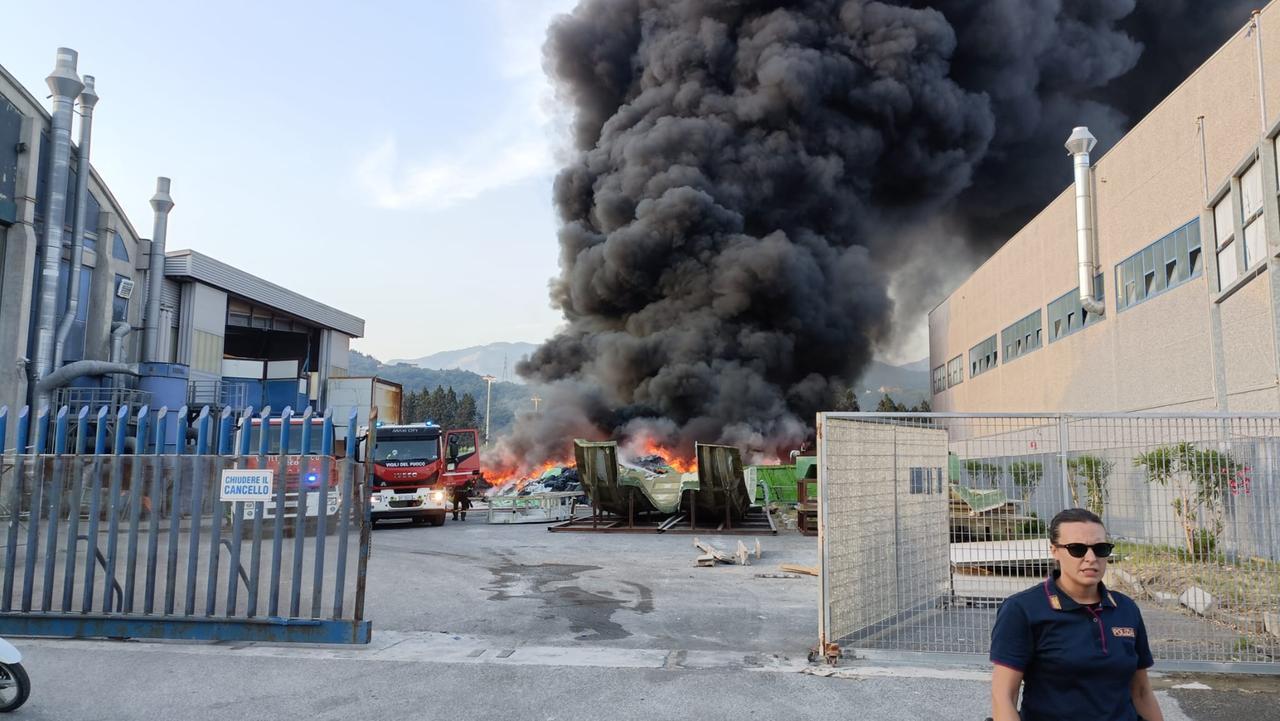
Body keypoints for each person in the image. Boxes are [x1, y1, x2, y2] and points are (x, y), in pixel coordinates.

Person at [989, 508, 1164, 721]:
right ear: (1054, 550)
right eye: (1077, 549)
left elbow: (1141, 692)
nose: (1091, 558)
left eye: (1100, 549)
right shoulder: (1022, 610)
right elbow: (1003, 696)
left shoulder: (1125, 608)